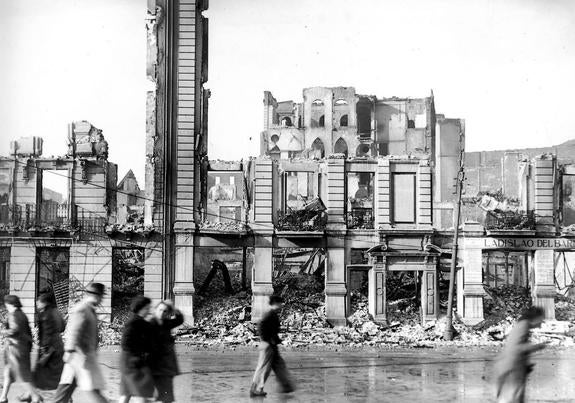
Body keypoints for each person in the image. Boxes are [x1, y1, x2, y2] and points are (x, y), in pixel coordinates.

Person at [52, 282, 108, 403]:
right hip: (80, 358)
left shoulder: (89, 309)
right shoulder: (82, 309)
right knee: (92, 390)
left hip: (81, 358)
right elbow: (74, 331)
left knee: (64, 391)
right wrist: (69, 350)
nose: (101, 299)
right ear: (94, 295)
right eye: (101, 296)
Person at [494, 306, 547, 403]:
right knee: (513, 399)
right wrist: (537, 347)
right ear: (536, 317)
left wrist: (526, 365)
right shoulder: (523, 325)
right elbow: (516, 348)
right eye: (541, 320)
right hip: (512, 369)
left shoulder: (522, 325)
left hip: (511, 367)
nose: (540, 325)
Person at [0, 295, 43, 403]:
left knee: (22, 375)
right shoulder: (22, 314)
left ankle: (35, 396)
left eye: (6, 305)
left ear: (10, 304)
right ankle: (3, 397)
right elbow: (28, 332)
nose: (6, 307)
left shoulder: (13, 315)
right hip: (22, 347)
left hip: (15, 349)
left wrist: (3, 332)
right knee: (8, 373)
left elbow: (14, 330)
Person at [250, 295, 294, 398]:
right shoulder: (269, 314)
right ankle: (255, 389)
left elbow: (271, 330)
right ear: (275, 303)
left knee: (274, 366)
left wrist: (275, 340)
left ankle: (283, 386)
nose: (281, 305)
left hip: (271, 344)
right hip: (268, 345)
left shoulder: (272, 314)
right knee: (263, 367)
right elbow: (261, 327)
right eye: (280, 303)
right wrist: (267, 340)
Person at [118, 296, 155, 403]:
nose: (149, 310)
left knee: (126, 394)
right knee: (141, 394)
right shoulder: (134, 322)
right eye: (147, 308)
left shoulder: (137, 321)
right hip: (132, 363)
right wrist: (141, 354)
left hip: (128, 362)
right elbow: (125, 344)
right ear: (141, 308)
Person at [149, 301, 184, 403]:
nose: (162, 313)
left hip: (167, 366)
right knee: (158, 396)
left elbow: (180, 320)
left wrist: (174, 309)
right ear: (155, 310)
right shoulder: (151, 324)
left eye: (165, 311)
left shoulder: (166, 323)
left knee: (166, 397)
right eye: (160, 310)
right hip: (155, 366)